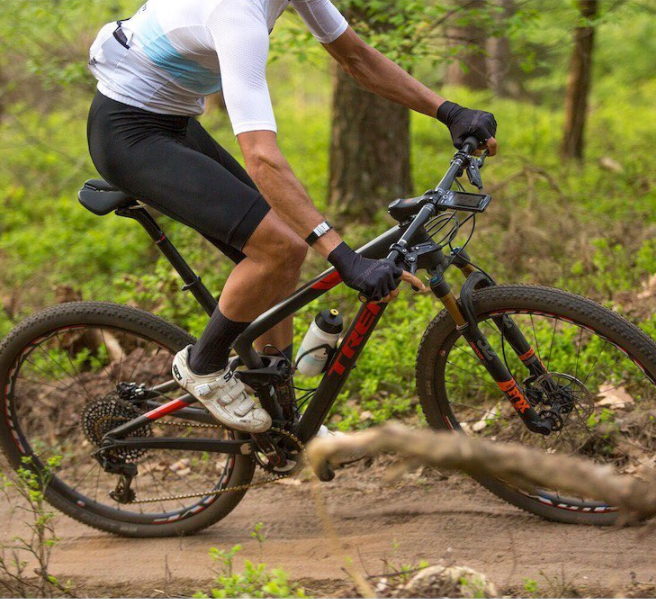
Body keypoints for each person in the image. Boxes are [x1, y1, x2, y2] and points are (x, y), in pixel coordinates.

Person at [86, 0, 498, 434]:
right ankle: (202, 365)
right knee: (279, 247)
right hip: (128, 133)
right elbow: (262, 159)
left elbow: (355, 55)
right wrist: (343, 256)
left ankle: (282, 416)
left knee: (284, 252)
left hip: (171, 119)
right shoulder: (236, 16)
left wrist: (448, 111)